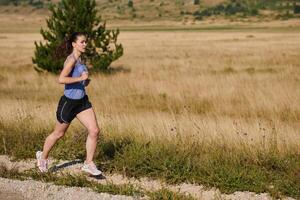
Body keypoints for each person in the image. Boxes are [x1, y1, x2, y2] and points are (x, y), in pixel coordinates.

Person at [36, 32, 102, 176]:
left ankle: (88, 163)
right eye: (82, 42)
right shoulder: (71, 60)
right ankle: (43, 157)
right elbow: (61, 79)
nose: (85, 44)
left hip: (82, 102)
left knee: (94, 131)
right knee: (58, 133)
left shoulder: (80, 60)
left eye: (86, 42)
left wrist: (84, 82)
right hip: (69, 103)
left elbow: (79, 80)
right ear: (74, 44)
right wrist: (80, 79)